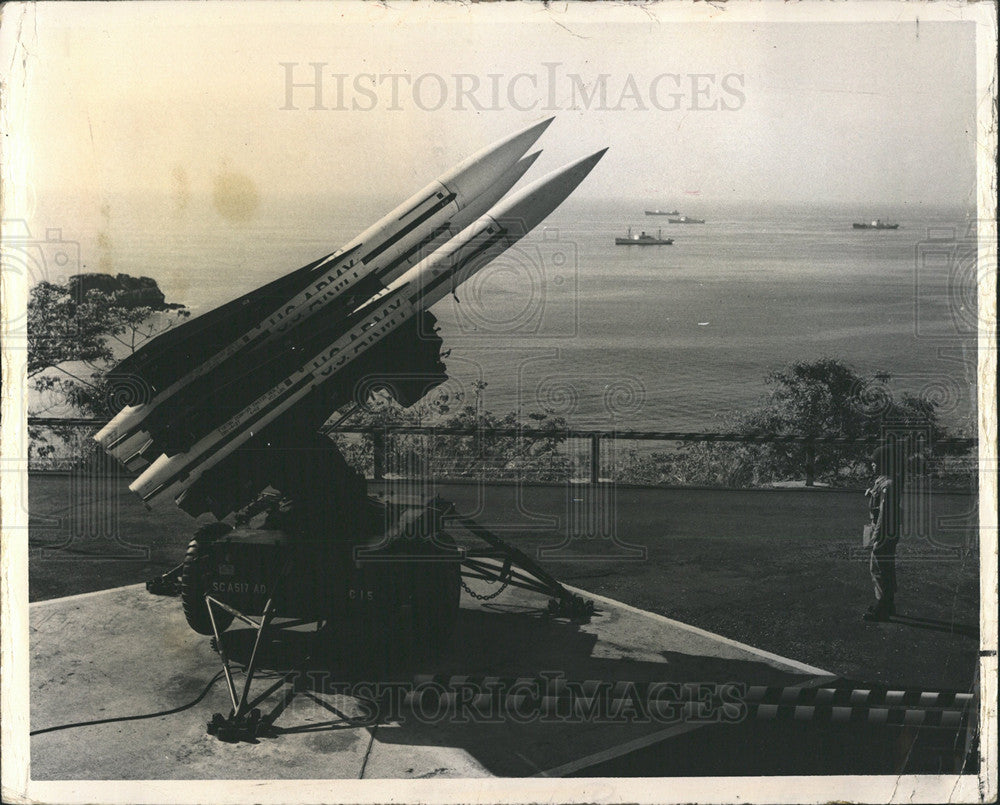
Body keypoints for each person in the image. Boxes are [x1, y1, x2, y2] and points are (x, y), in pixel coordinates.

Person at [863, 443, 904, 622]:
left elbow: (885, 512)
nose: (872, 464)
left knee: (879, 567)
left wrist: (877, 536)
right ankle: (888, 602)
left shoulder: (888, 483)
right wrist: (871, 493)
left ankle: (882, 606)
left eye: (876, 461)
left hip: (884, 530)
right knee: (885, 565)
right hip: (887, 529)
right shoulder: (884, 480)